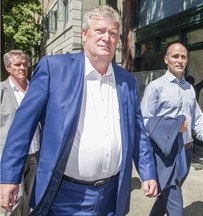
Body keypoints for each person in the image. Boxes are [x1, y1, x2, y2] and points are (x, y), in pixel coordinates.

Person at [0, 5, 157, 216]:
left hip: (112, 193)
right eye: (99, 30)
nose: (106, 38)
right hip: (64, 194)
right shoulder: (54, 69)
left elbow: (137, 131)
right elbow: (22, 127)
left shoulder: (126, 81)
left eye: (112, 33)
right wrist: (9, 178)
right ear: (84, 34)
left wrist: (147, 172)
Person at [141, 42, 203, 216]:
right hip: (166, 153)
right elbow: (145, 121)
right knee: (175, 202)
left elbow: (198, 118)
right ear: (166, 59)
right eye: (175, 56)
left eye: (183, 57)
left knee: (167, 195)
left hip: (187, 151)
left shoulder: (189, 89)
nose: (180, 60)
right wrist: (172, 127)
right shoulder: (155, 87)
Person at [0, 50, 41, 216]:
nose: (22, 68)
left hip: (35, 153)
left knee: (30, 199)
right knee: (12, 201)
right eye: (17, 65)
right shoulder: (2, 91)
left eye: (25, 64)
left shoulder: (36, 89)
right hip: (11, 156)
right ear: (8, 67)